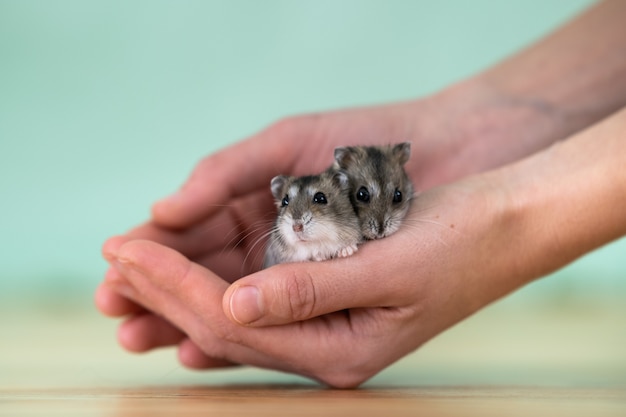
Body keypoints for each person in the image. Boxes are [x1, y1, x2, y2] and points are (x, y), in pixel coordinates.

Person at [96, 0, 626, 388]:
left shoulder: (360, 202)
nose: (376, 222)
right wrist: (469, 128)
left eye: (391, 202)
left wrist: (510, 217)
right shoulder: (311, 207)